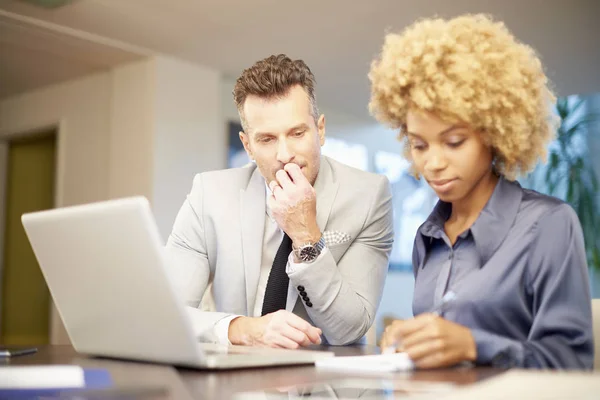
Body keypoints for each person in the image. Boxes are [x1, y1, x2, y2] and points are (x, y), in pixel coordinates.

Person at [369, 14, 593, 369]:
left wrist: (475, 346)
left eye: (454, 141)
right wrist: (409, 344)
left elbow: (573, 362)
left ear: (494, 133)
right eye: (419, 145)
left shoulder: (549, 225)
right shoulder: (426, 239)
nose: (433, 163)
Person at [165, 54, 394, 348]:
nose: (285, 154)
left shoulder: (368, 196)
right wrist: (241, 329)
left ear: (320, 130)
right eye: (267, 140)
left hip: (323, 385)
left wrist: (306, 236)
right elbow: (169, 315)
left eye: (297, 133)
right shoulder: (208, 195)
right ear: (248, 145)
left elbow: (348, 330)